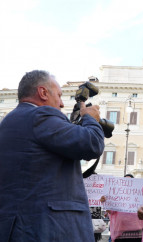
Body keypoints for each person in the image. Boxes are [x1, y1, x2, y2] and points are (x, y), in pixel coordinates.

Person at [0, 70, 105, 241]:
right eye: (59, 95)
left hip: (18, 227)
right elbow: (91, 144)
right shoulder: (40, 115)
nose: (62, 104)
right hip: (49, 228)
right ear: (43, 93)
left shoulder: (9, 121)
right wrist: (90, 119)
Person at [101, 174, 143, 242]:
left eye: (130, 181)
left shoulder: (139, 197)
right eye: (125, 181)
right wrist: (105, 202)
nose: (127, 184)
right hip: (120, 234)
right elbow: (110, 211)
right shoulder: (116, 197)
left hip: (138, 234)